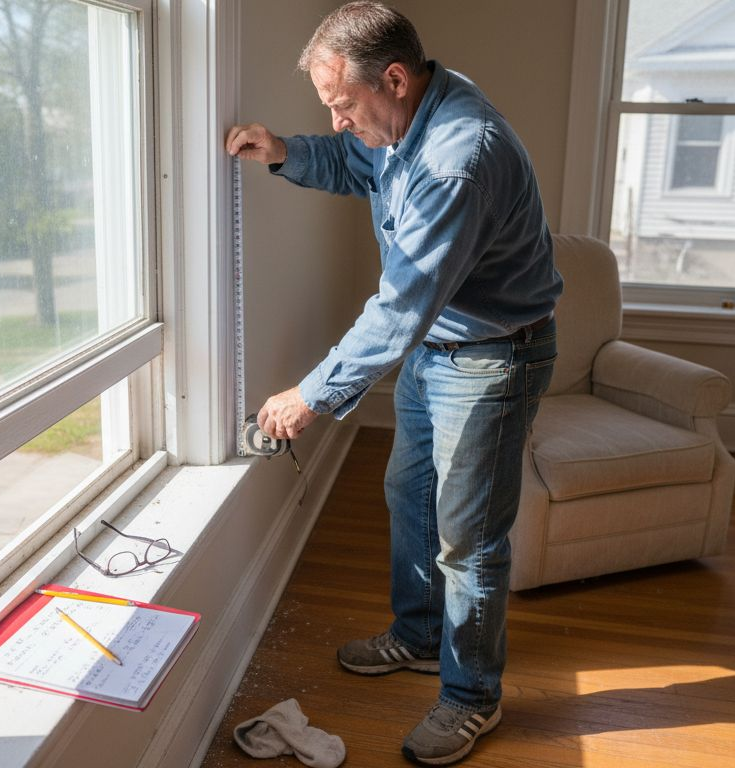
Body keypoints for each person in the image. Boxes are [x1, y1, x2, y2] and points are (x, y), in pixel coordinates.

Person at [225, 3, 562, 765]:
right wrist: (284, 150)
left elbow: (401, 303)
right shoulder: (409, 114)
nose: (340, 121)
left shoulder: (456, 157)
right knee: (408, 494)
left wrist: (309, 394)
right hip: (436, 349)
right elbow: (358, 161)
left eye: (343, 105)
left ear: (396, 79)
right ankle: (416, 637)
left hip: (491, 359)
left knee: (468, 543)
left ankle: (473, 698)